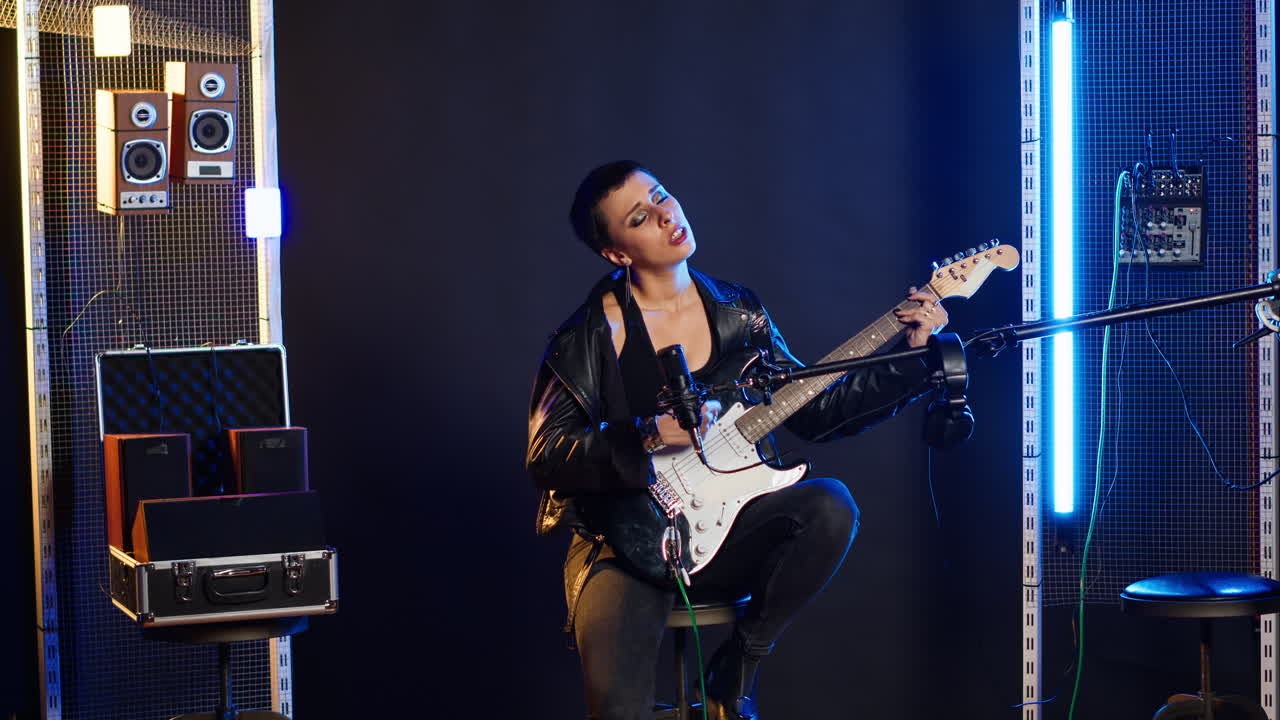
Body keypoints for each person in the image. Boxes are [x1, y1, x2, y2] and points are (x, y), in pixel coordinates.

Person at [525, 160, 949, 720]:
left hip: (726, 533)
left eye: (661, 196)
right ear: (617, 254)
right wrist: (648, 435)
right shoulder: (586, 336)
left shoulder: (738, 314)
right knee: (617, 711)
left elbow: (817, 411)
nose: (665, 215)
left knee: (829, 505)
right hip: (619, 542)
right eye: (640, 216)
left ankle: (737, 667)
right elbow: (546, 454)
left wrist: (914, 357)